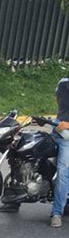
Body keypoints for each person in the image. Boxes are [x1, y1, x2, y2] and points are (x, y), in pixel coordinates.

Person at [49, 74, 69, 228]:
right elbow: (59, 101)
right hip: (57, 129)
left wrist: (67, 125)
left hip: (67, 137)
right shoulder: (62, 82)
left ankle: (57, 213)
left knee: (63, 171)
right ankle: (14, 198)